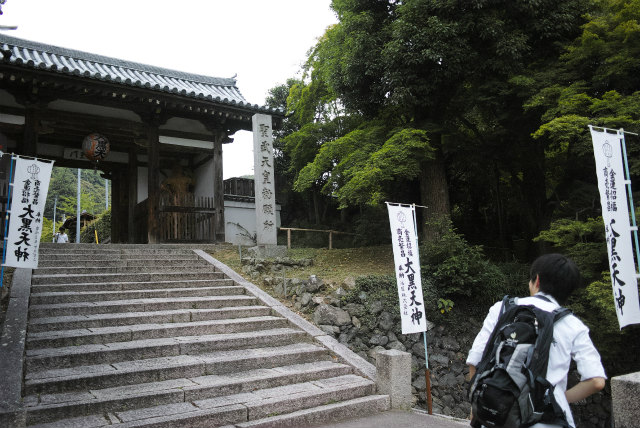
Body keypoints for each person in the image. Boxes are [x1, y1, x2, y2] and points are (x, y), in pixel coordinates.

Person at [466, 253, 606, 428]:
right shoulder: (573, 325)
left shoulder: (503, 309)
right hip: (547, 421)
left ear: (537, 280)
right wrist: (557, 399)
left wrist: (478, 406)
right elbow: (596, 381)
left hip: (497, 417)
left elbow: (476, 359)